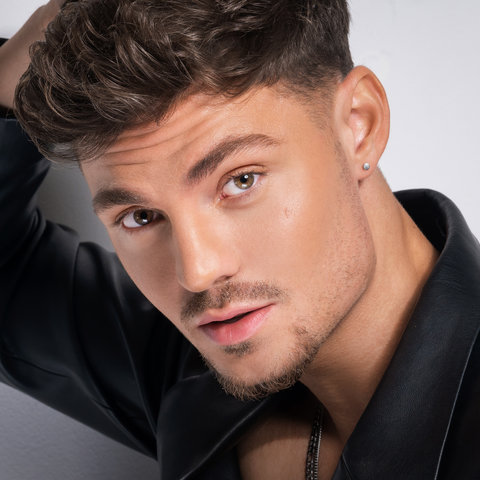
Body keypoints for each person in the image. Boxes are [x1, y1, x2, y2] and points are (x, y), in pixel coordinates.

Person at [1, 0, 479, 479]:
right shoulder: (197, 366)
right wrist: (43, 38)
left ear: (360, 124)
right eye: (141, 216)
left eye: (241, 181)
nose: (198, 272)